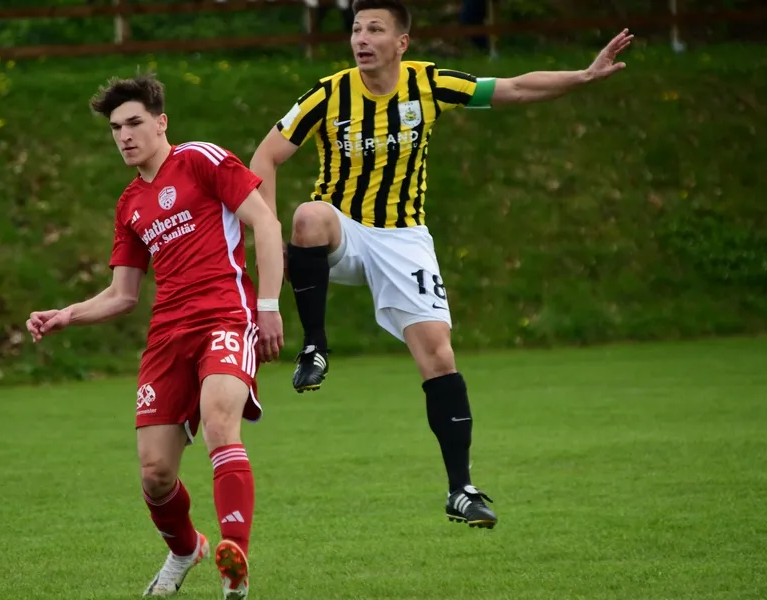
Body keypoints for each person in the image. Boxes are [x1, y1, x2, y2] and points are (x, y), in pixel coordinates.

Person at [249, 0, 632, 530]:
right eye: (357, 29)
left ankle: (461, 490)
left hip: (404, 239)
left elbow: (513, 88)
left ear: (401, 43)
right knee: (308, 215)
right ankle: (315, 346)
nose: (362, 39)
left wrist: (584, 76)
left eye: (375, 29)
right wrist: (271, 238)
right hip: (344, 231)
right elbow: (264, 158)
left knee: (439, 356)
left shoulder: (428, 84)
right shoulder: (328, 94)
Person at [26, 73, 284, 599]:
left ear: (161, 122)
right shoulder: (129, 204)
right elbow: (122, 294)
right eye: (115, 128)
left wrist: (269, 305)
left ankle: (235, 562)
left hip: (225, 315)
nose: (124, 135)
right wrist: (66, 314)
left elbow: (266, 223)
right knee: (155, 473)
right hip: (168, 334)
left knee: (220, 423)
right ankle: (186, 548)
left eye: (134, 123)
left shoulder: (201, 160)